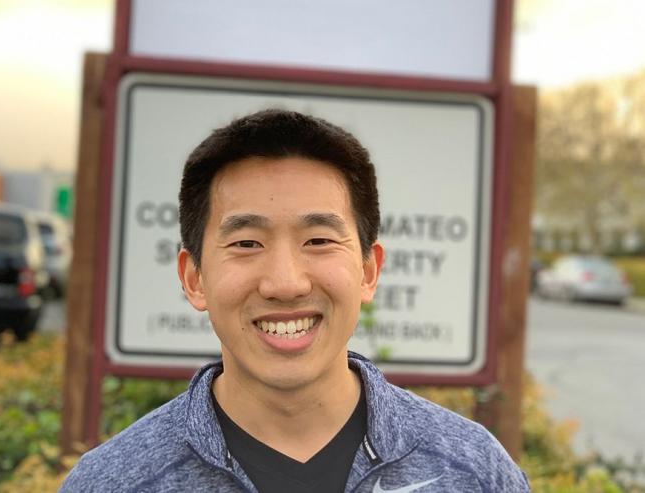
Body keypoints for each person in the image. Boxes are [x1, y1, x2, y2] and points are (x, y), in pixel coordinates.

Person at [61, 109, 530, 492]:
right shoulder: (112, 482)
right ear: (194, 278)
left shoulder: (472, 472)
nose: (285, 283)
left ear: (368, 270)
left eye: (319, 240)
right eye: (246, 243)